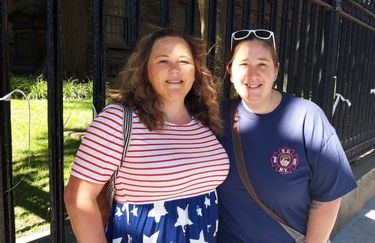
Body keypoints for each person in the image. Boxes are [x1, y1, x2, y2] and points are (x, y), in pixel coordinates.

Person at [64, 28, 230, 243]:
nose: (175, 69)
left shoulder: (204, 121)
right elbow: (78, 197)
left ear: (196, 71)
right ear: (145, 70)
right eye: (163, 61)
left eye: (184, 61)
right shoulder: (117, 120)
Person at [217, 29, 357, 243]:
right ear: (230, 71)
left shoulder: (307, 118)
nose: (252, 74)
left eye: (262, 64)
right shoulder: (215, 119)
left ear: (276, 71)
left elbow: (328, 196)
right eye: (243, 64)